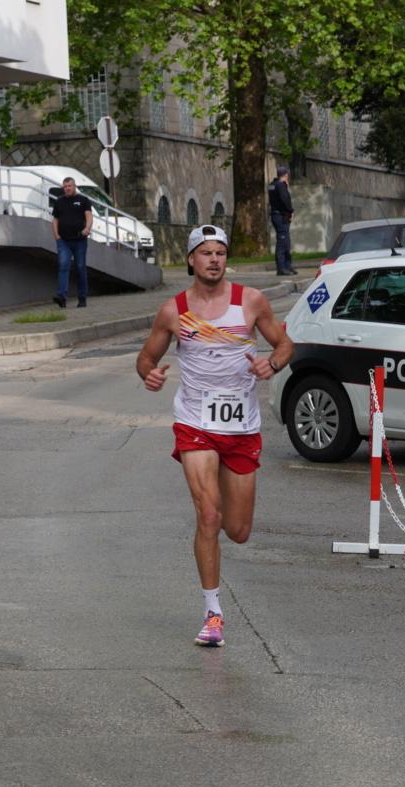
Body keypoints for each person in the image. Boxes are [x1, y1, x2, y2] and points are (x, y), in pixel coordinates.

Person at [136, 224, 293, 647]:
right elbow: (147, 356)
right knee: (209, 516)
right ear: (191, 259)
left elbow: (284, 344)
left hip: (241, 427)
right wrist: (148, 374)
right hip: (196, 423)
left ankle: (219, 549)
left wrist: (272, 365)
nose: (214, 260)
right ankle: (213, 613)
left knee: (238, 530)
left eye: (220, 253)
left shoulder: (251, 302)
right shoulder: (175, 310)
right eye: (205, 253)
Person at [52, 177, 94, 308]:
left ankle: (82, 298)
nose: (67, 189)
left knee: (80, 268)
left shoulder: (83, 200)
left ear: (74, 186)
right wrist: (57, 236)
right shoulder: (59, 202)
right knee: (63, 266)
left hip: (79, 240)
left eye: (69, 186)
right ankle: (61, 297)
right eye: (65, 187)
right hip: (63, 241)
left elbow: (89, 216)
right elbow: (55, 220)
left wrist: (87, 228)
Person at [269, 165, 295, 275]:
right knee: (282, 242)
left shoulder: (272, 185)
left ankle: (288, 266)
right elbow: (284, 200)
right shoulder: (280, 186)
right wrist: (291, 211)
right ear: (285, 175)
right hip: (281, 216)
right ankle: (281, 268)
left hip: (277, 215)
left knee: (286, 241)